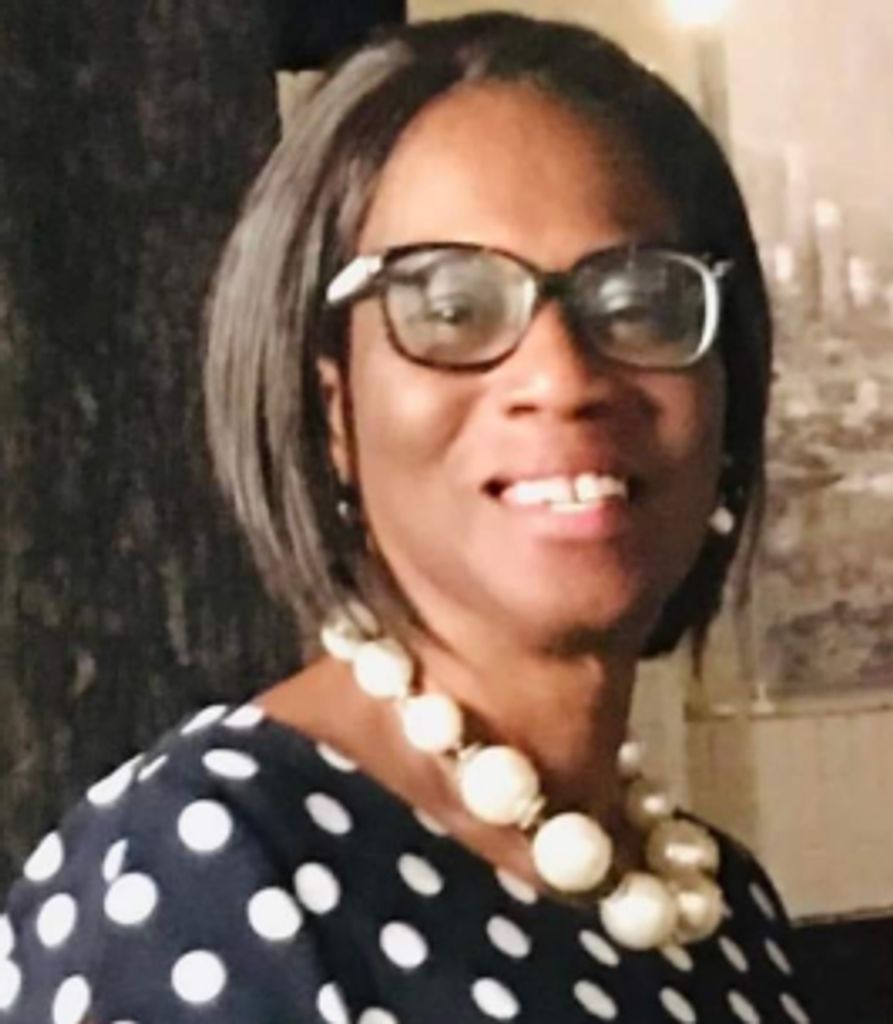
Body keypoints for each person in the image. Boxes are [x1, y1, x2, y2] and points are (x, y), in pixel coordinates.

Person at [1, 12, 815, 1024]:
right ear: (332, 410)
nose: (563, 378)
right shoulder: (203, 873)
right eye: (448, 307)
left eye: (636, 302)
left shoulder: (718, 909)